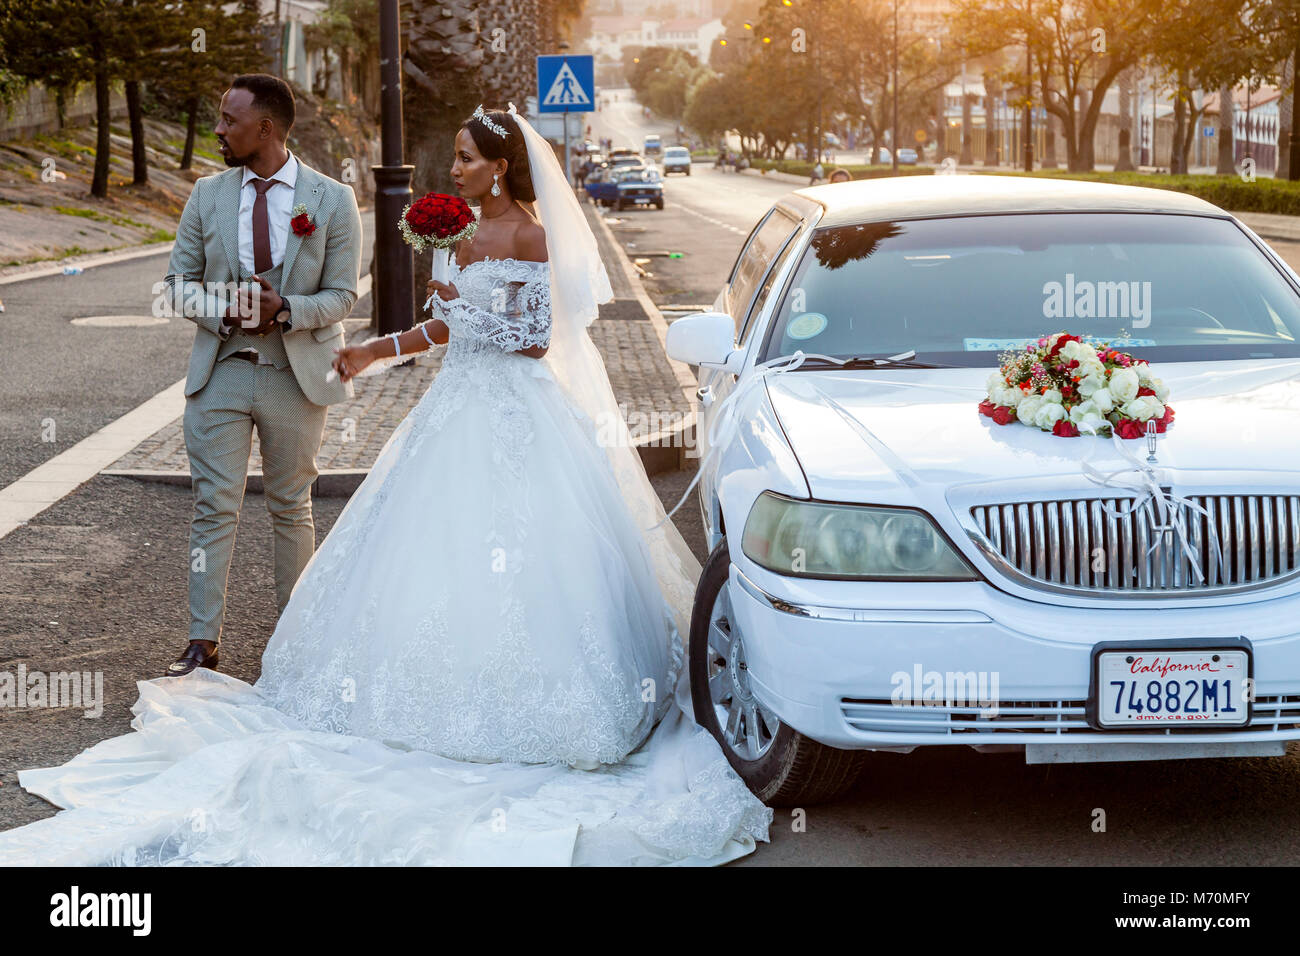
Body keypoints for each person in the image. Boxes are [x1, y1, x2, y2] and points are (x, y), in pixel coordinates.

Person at [0, 104, 772, 867]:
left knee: (524, 555)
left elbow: (534, 341)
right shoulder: (456, 233)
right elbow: (443, 327)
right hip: (453, 405)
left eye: (467, 158)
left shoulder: (528, 235)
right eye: (456, 159)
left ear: (500, 165)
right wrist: (377, 350)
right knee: (421, 548)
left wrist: (457, 307)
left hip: (514, 410)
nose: (457, 169)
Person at [164, 73, 362, 679]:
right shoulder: (208, 194)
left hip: (293, 373)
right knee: (212, 507)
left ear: (266, 128)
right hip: (221, 370)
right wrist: (223, 309)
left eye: (230, 120)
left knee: (290, 505)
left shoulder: (331, 199)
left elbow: (343, 295)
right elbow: (177, 285)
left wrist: (289, 311)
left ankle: (294, 639)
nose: (220, 130)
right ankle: (202, 641)